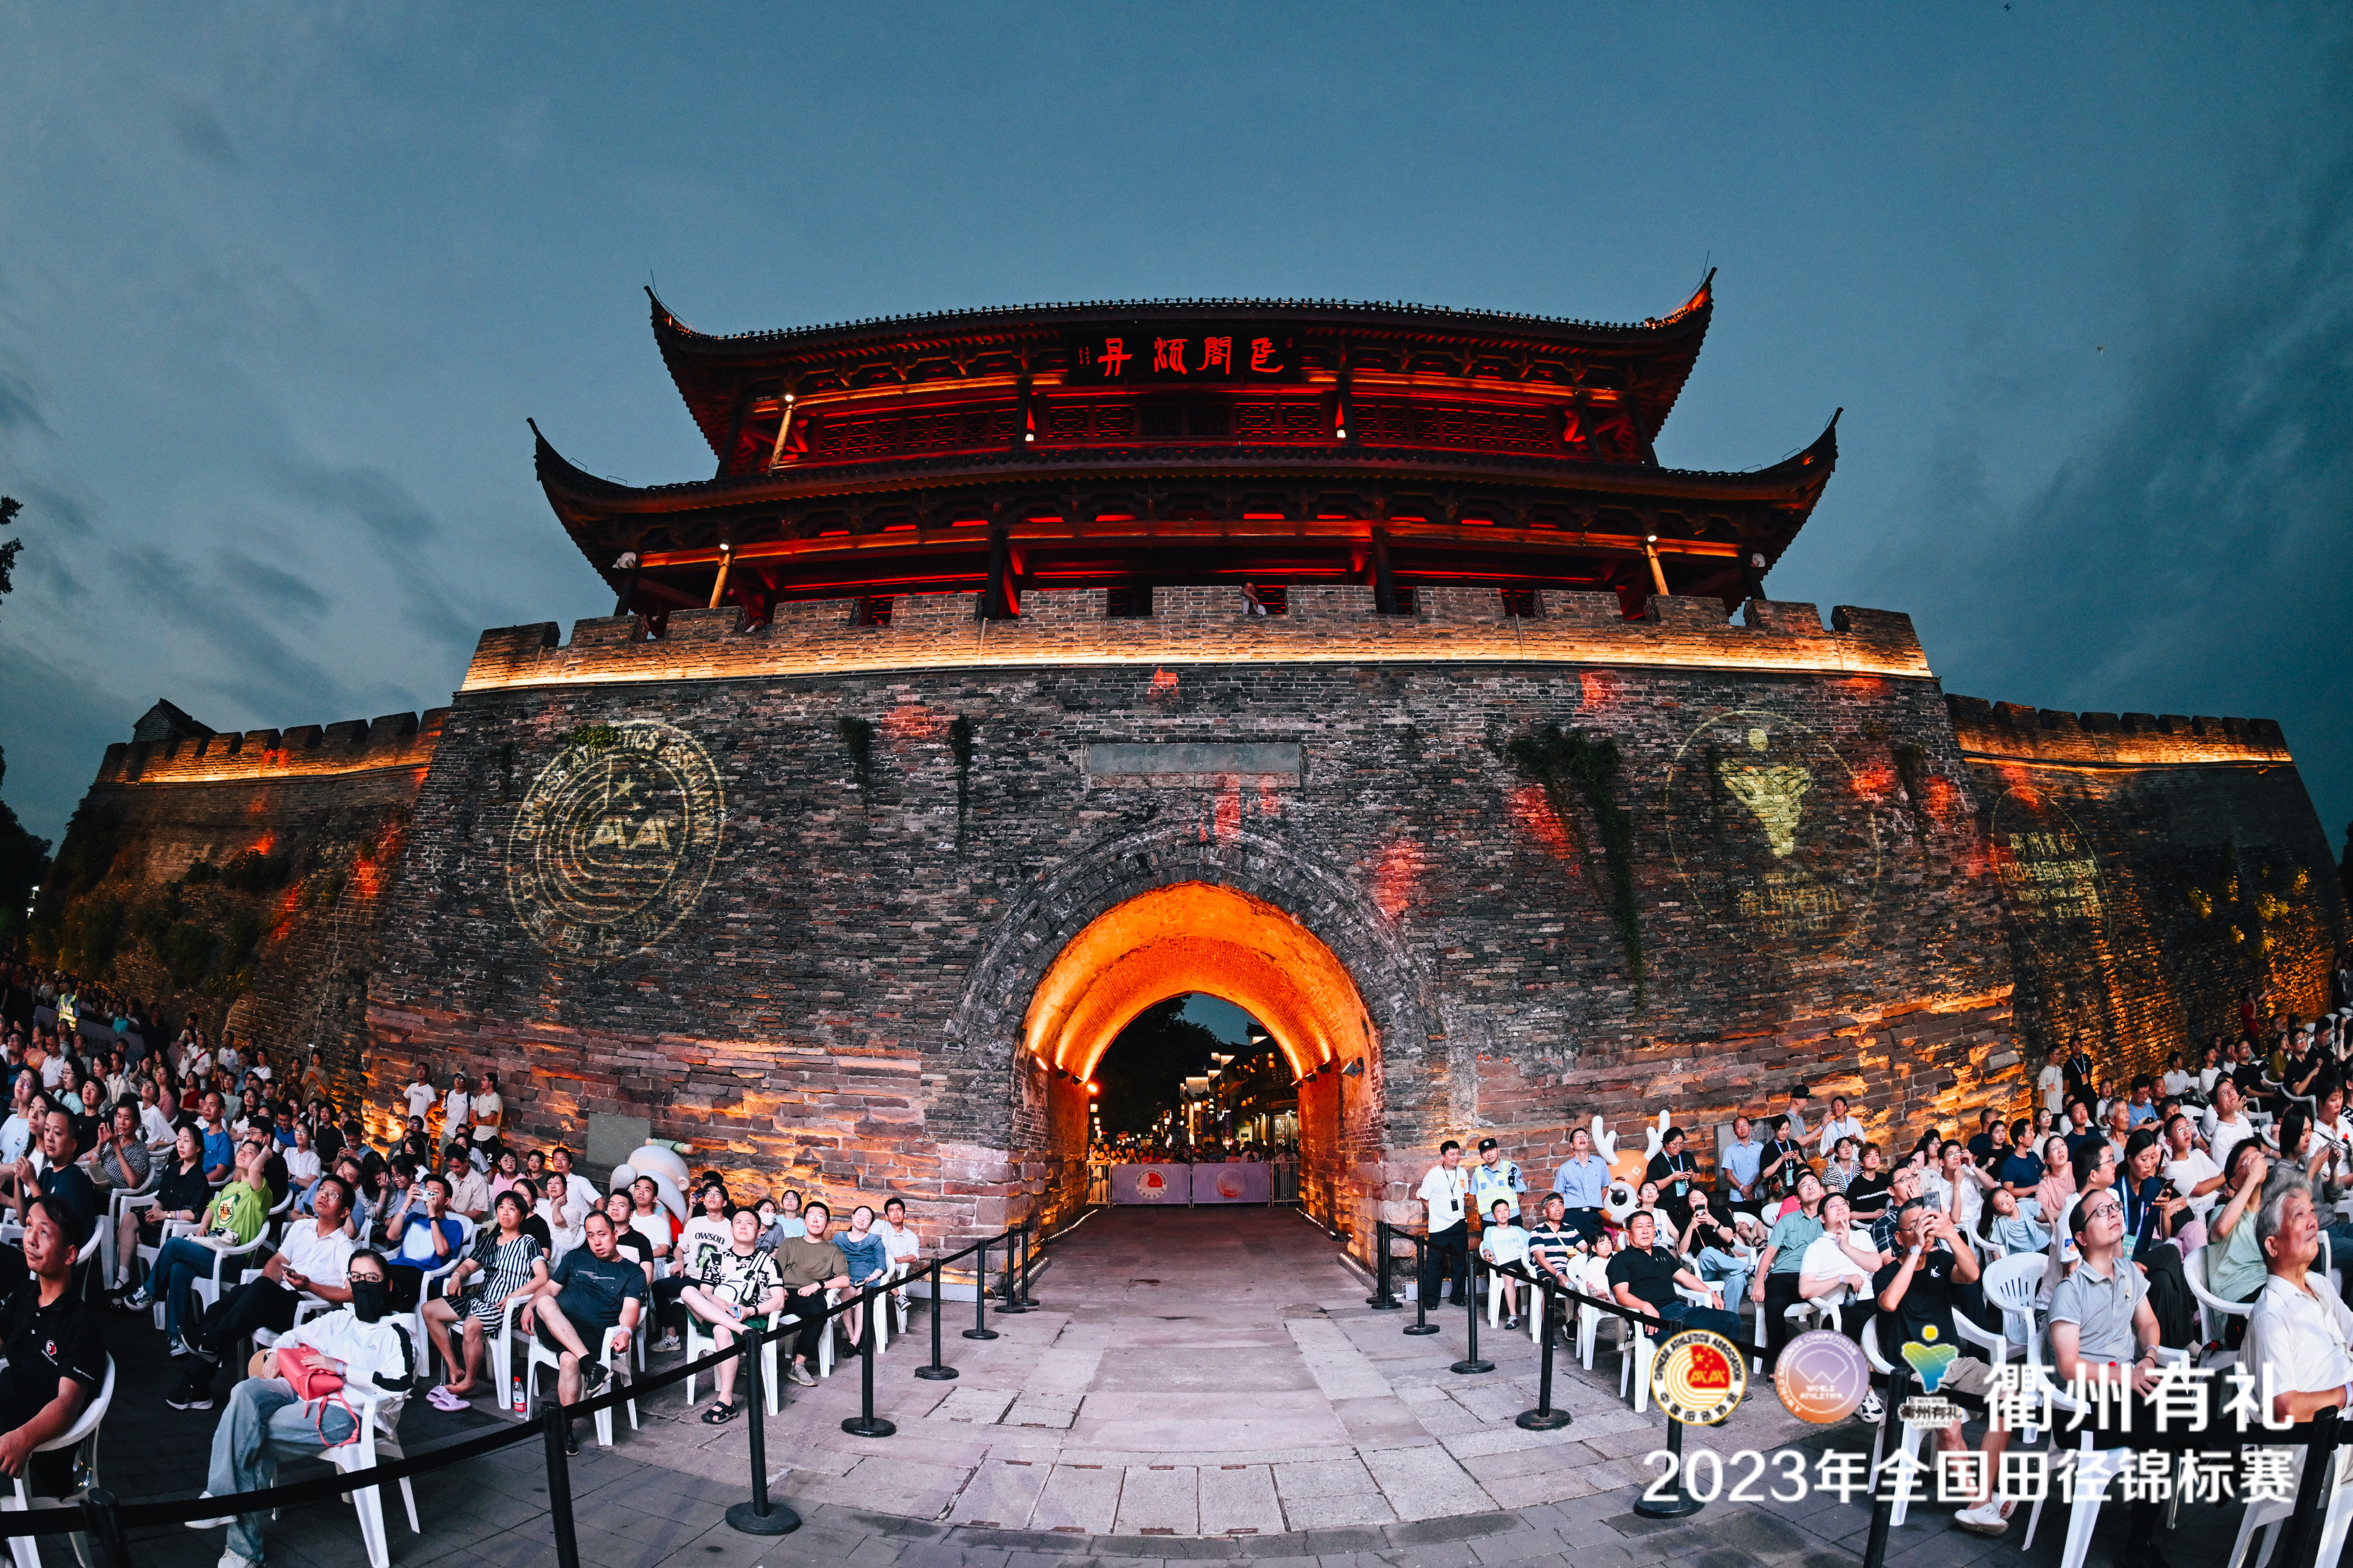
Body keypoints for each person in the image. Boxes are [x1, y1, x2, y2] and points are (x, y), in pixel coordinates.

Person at [188, 1248, 415, 1567]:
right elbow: (290, 1338)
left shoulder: (398, 1331)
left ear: (388, 1285)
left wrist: (342, 1368)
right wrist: (276, 1355)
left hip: (350, 1413)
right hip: (307, 1393)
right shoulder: (340, 1319)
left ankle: (242, 1548)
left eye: (372, 1278)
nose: (363, 1284)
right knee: (245, 1392)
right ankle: (220, 1497)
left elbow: (401, 1384)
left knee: (253, 1438)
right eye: (357, 1277)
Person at [2047, 1183, 2204, 1564]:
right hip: (2081, 1409)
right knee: (2166, 1424)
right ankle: (2144, 1537)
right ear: (2082, 1238)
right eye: (2101, 1211)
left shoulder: (2128, 1273)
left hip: (2125, 1393)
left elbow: (2149, 1324)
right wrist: (2128, 1377)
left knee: (2173, 1415)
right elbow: (2068, 1366)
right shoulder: (2070, 1291)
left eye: (2115, 1207)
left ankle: (2141, 1539)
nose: (2114, 1213)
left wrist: (2148, 1358)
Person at [1872, 1199, 2007, 1535]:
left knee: (2012, 1400)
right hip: (1914, 1377)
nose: (1924, 1230)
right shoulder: (1886, 1273)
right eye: (1915, 1225)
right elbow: (1890, 1302)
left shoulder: (1942, 1261)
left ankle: (1983, 1497)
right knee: (1948, 1425)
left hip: (1956, 1365)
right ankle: (1981, 1502)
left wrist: (1949, 1233)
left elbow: (1973, 1274)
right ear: (1899, 1237)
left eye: (1927, 1222)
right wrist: (1914, 1251)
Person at [170, 1174, 358, 1411]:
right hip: (277, 1298)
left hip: (306, 1311)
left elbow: (351, 1294)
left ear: (344, 1212)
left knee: (258, 1291)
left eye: (333, 1195)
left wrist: (309, 1286)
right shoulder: (302, 1227)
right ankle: (196, 1388)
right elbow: (278, 1261)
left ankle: (210, 1344)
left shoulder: (345, 1247)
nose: (323, 1196)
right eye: (322, 1189)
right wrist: (257, 1295)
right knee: (220, 1307)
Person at [0, 1197, 105, 1505]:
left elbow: (66, 1405)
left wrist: (24, 1438)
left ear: (70, 1254)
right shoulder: (24, 1295)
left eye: (44, 1232)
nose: (30, 1239)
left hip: (34, 1453)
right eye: (28, 1226)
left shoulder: (80, 1325)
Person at [129, 1136, 271, 1352]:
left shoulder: (260, 1193)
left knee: (174, 1245)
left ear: (260, 1165)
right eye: (242, 1149)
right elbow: (211, 1208)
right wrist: (203, 1226)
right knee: (178, 1269)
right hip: (211, 1250)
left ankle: (150, 1291)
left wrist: (266, 1153)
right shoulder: (231, 1188)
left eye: (250, 1152)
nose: (243, 1152)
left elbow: (253, 1172)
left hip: (231, 1260)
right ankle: (177, 1336)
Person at [521, 1211, 645, 1454]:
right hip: (555, 1327)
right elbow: (551, 1288)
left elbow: (630, 1309)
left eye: (602, 1234)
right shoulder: (575, 1257)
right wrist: (529, 1305)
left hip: (594, 1337)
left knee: (569, 1361)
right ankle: (591, 1366)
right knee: (544, 1302)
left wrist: (626, 1332)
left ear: (615, 1234)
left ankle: (566, 1427)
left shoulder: (633, 1272)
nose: (597, 1242)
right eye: (591, 1236)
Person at [2244, 1175, 2353, 1434]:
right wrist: (2349, 1393)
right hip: (2323, 1441)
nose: (2313, 1222)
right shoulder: (2270, 1314)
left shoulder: (2318, 1284)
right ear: (2272, 1246)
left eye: (2312, 1211)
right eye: (2299, 1215)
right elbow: (2286, 1409)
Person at [422, 1188, 546, 1405]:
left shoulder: (529, 1243)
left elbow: (542, 1277)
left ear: (522, 1216)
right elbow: (468, 1266)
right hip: (480, 1300)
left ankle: (469, 1382)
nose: (505, 1212)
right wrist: (456, 1277)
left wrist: (514, 1296)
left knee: (471, 1326)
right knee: (429, 1310)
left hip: (506, 1307)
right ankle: (454, 1367)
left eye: (512, 1208)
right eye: (501, 1208)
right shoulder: (490, 1241)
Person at [682, 1206, 786, 1423]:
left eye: (749, 1223)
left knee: (722, 1330)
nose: (743, 1226)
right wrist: (720, 1303)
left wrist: (749, 1311)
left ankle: (726, 1401)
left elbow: (778, 1301)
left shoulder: (769, 1263)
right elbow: (705, 1292)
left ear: (759, 1232)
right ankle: (741, 1330)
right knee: (687, 1291)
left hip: (752, 1319)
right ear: (731, 1230)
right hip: (716, 1314)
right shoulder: (716, 1258)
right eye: (738, 1222)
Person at [1606, 1208, 1741, 1339]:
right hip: (1654, 1316)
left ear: (1655, 1230)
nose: (1645, 1231)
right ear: (1628, 1234)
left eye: (1649, 1226)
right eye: (1639, 1227)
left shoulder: (1662, 1252)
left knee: (1732, 1320)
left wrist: (1711, 1294)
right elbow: (1621, 1295)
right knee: (1681, 1339)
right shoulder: (1621, 1259)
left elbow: (1686, 1278)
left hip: (1680, 1310)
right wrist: (1645, 1306)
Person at [109, 1124, 210, 1293]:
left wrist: (165, 1215)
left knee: (126, 1235)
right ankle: (123, 1278)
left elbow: (193, 1214)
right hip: (160, 1221)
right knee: (128, 1219)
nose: (181, 1144)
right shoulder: (174, 1168)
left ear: (198, 1148)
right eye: (179, 1139)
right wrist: (153, 1212)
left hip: (175, 1228)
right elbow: (162, 1198)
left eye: (186, 1141)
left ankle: (140, 1286)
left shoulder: (200, 1179)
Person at [1751, 1172, 1828, 1371]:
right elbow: (1769, 1253)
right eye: (1804, 1185)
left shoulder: (1829, 1219)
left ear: (1822, 1190)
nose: (1810, 1186)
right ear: (1797, 1198)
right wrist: (1759, 1283)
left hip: (1817, 1276)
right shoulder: (1787, 1221)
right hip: (1785, 1275)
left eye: (1814, 1183)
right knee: (1774, 1303)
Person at [770, 1202, 851, 1387]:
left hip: (810, 1295)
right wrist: (779, 1288)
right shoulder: (790, 1244)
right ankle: (756, 1357)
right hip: (784, 1292)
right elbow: (775, 1271)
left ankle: (798, 1365)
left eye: (821, 1216)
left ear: (828, 1224)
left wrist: (818, 1285)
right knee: (759, 1308)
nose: (815, 1220)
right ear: (804, 1221)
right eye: (811, 1216)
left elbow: (845, 1280)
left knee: (819, 1311)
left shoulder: (833, 1251)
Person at [383, 1172, 466, 1310]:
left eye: (435, 1193)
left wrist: (433, 1216)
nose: (430, 1195)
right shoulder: (414, 1217)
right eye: (427, 1191)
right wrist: (407, 1203)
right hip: (398, 1268)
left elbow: (441, 1251)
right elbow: (391, 1236)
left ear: (447, 1201)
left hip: (425, 1277)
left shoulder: (453, 1226)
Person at [1416, 1140, 1469, 1309]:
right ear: (1443, 1157)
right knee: (1435, 1264)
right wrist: (1436, 1214)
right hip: (1439, 1227)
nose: (1456, 1157)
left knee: (1459, 1264)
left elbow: (1463, 1195)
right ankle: (1431, 1299)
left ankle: (1458, 1297)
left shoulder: (1462, 1173)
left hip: (1459, 1224)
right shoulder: (1433, 1175)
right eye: (1452, 1154)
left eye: (1458, 1153)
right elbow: (1424, 1198)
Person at [835, 1204, 892, 1349]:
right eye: (860, 1215)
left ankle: (856, 1340)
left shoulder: (875, 1240)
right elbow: (831, 1259)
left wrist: (872, 1277)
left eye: (867, 1218)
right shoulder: (840, 1238)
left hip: (869, 1281)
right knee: (843, 1294)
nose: (862, 1219)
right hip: (847, 1281)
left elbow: (881, 1265)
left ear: (870, 1224)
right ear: (853, 1216)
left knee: (863, 1293)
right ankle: (853, 1337)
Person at [1548, 1127, 1609, 1242]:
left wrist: (1596, 1202)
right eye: (1578, 1137)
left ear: (1588, 1142)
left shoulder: (1600, 1163)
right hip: (1572, 1216)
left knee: (1597, 1246)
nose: (1582, 1138)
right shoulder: (1565, 1168)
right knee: (1572, 1248)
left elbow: (1605, 1187)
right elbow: (1559, 1194)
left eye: (1584, 1136)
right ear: (1572, 1145)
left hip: (1593, 1216)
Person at [1477, 1199, 1528, 1329]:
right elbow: (1487, 1247)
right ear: (1493, 1216)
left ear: (1510, 1213)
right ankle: (1513, 1317)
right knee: (1510, 1276)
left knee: (1537, 1274)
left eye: (1506, 1210)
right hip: (1505, 1264)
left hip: (1521, 1262)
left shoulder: (1517, 1230)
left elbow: (1531, 1242)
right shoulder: (1490, 1230)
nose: (1503, 1213)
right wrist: (1488, 1254)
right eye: (1499, 1211)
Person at [1644, 1126, 1697, 1236]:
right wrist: (1672, 1178)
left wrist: (1692, 1175)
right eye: (1675, 1144)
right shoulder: (1656, 1162)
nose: (1678, 1147)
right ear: (1666, 1144)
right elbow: (1653, 1186)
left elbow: (1698, 1178)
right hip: (1667, 1205)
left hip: (1686, 1202)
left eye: (1681, 1144)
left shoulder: (1687, 1157)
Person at [1719, 1115, 1763, 1216]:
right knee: (1740, 1224)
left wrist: (1751, 1187)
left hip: (1757, 1195)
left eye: (1745, 1125)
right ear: (1734, 1131)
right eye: (1738, 1127)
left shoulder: (1760, 1147)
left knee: (1757, 1223)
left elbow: (1763, 1171)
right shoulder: (1729, 1150)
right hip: (1737, 1199)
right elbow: (1728, 1175)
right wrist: (1744, 1189)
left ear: (1749, 1127)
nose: (1742, 1128)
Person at [1815, 1095, 1863, 1159]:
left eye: (1838, 1106)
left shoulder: (1853, 1122)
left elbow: (1862, 1144)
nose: (1836, 1109)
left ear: (1845, 1107)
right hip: (1837, 1164)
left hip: (1854, 1162)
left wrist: (1856, 1140)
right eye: (1833, 1106)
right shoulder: (1829, 1127)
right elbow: (1823, 1153)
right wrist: (1838, 1147)